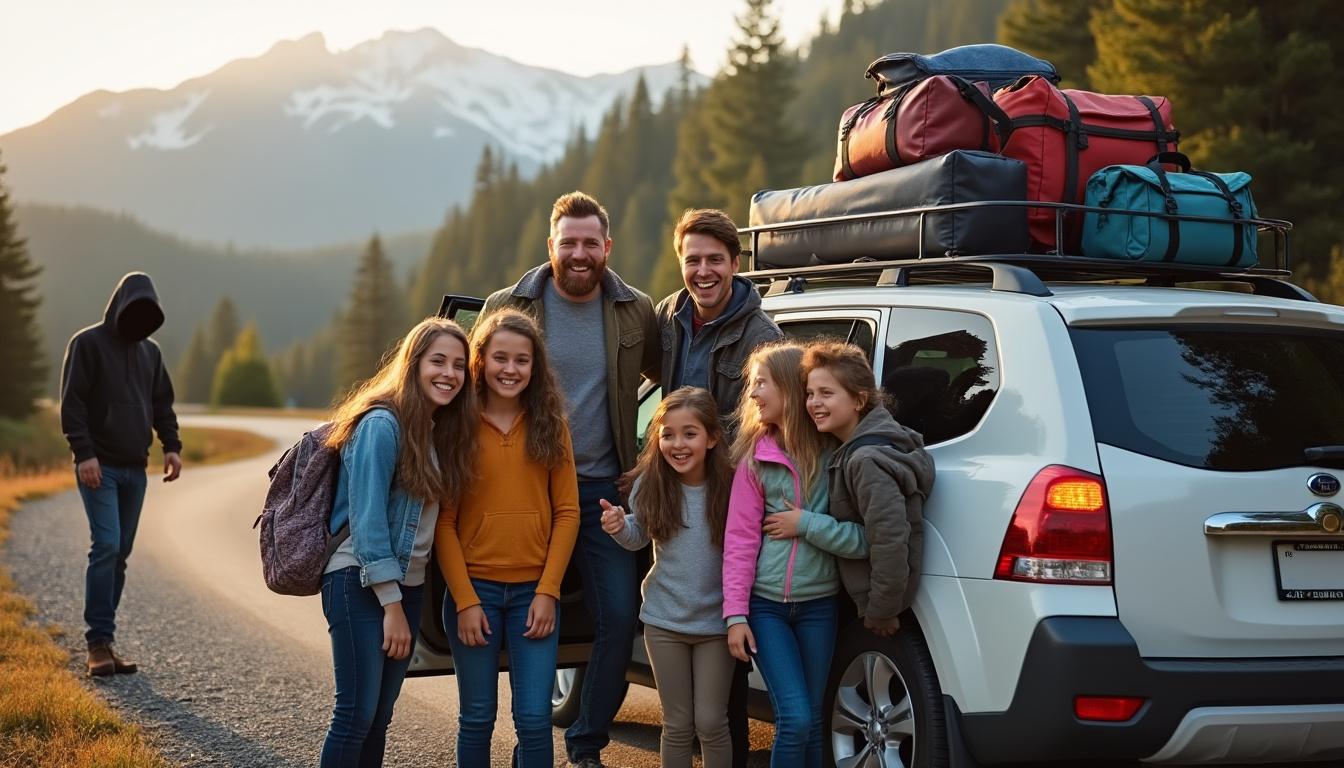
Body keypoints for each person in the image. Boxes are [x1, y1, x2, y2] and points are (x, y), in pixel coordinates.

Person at [479, 190, 658, 768]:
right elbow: (473, 392)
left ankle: (585, 744)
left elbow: (673, 384)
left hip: (604, 494)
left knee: (620, 618)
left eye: (590, 243)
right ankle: (531, 743)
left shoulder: (635, 310)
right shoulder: (509, 306)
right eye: (569, 243)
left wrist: (648, 456)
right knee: (527, 616)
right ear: (550, 245)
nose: (579, 254)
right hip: (527, 491)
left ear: (608, 246)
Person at [650, 207, 782, 767]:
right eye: (692, 260)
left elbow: (768, 423)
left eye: (714, 260)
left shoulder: (761, 337)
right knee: (687, 710)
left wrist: (727, 483)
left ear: (735, 262)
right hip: (674, 493)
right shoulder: (669, 316)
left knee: (724, 682)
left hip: (731, 501)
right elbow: (660, 399)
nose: (702, 271)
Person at [318, 317, 477, 768]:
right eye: (438, 361)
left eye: (459, 366)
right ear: (413, 364)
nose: (449, 373)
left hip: (406, 586)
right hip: (358, 580)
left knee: (378, 718)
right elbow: (368, 522)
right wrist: (391, 604)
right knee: (355, 714)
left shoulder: (434, 429)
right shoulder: (381, 424)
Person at [436, 310, 580, 768]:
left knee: (534, 719)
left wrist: (548, 591)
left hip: (533, 596)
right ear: (480, 360)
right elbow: (443, 523)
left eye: (522, 360)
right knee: (477, 717)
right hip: (473, 593)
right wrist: (465, 601)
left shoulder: (550, 424)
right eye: (500, 358)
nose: (510, 369)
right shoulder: (457, 427)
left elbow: (568, 513)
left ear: (535, 366)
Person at [722, 342, 867, 768]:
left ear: (787, 388)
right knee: (796, 717)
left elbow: (862, 539)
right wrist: (736, 615)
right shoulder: (755, 461)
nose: (753, 393)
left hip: (820, 606)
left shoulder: (836, 457)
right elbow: (739, 541)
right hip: (766, 609)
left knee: (814, 720)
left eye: (761, 383)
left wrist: (804, 524)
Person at [600, 387, 735, 768]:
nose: (678, 444)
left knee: (711, 721)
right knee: (677, 724)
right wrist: (619, 527)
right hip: (664, 622)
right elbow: (638, 536)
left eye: (689, 434)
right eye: (668, 434)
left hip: (717, 624)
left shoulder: (731, 487)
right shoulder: (651, 483)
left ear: (712, 438)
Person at [60, 271, 182, 677]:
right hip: (100, 467)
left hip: (136, 469)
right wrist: (84, 454)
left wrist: (172, 446)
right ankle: (96, 644)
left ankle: (106, 641)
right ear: (119, 306)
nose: (140, 320)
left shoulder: (151, 353)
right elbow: (73, 404)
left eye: (148, 314)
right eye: (134, 311)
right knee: (107, 545)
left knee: (120, 555)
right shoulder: (87, 344)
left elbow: (162, 404)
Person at [803, 341, 935, 637]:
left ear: (859, 400)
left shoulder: (866, 461)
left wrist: (881, 610)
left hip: (880, 609)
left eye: (826, 393)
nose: (814, 403)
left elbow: (889, 538)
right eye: (810, 394)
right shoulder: (866, 445)